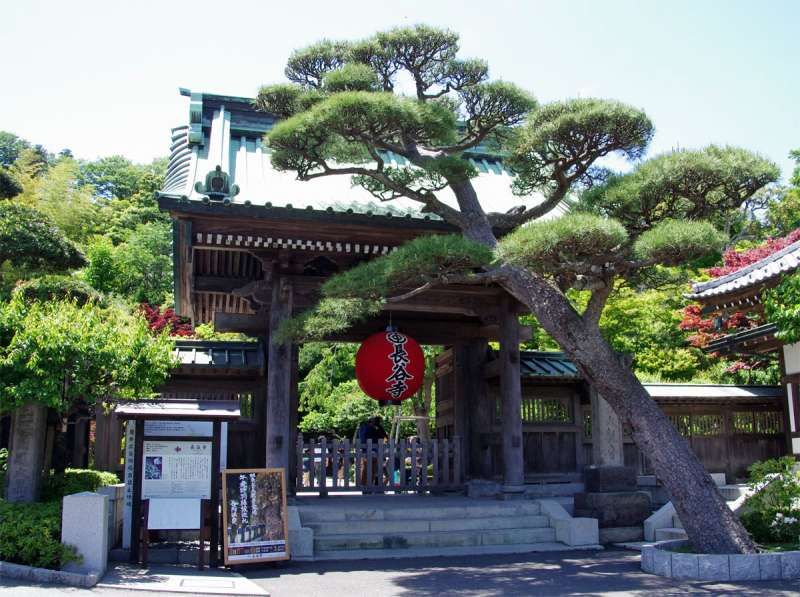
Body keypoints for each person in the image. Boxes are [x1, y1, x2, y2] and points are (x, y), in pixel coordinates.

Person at [357, 416, 387, 488]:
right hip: (372, 450)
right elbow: (383, 436)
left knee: (369, 469)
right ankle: (367, 486)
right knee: (370, 469)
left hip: (367, 450)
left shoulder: (363, 427)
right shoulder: (370, 428)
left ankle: (366, 486)